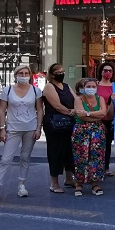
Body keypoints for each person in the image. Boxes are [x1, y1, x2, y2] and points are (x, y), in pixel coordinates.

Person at [0, 66, 43, 204]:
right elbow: (1, 110)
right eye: (21, 73)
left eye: (26, 73)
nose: (23, 75)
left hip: (30, 128)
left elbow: (39, 110)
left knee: (25, 157)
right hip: (13, 128)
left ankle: (22, 185)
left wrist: (39, 128)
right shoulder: (7, 90)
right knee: (5, 159)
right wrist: (2, 128)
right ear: (15, 75)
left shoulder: (36, 90)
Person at [42, 63, 76, 193]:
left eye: (62, 71)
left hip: (69, 123)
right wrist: (71, 112)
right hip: (54, 124)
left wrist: (76, 109)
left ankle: (69, 178)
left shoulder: (66, 86)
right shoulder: (49, 87)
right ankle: (54, 183)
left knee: (69, 151)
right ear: (51, 74)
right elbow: (56, 105)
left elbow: (75, 99)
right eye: (58, 71)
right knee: (55, 151)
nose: (61, 73)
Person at [97, 63, 115, 178]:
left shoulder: (114, 87)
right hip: (98, 119)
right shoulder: (96, 85)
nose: (108, 72)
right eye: (105, 70)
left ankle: (106, 167)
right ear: (101, 71)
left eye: (110, 70)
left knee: (108, 144)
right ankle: (97, 166)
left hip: (111, 119)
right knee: (97, 144)